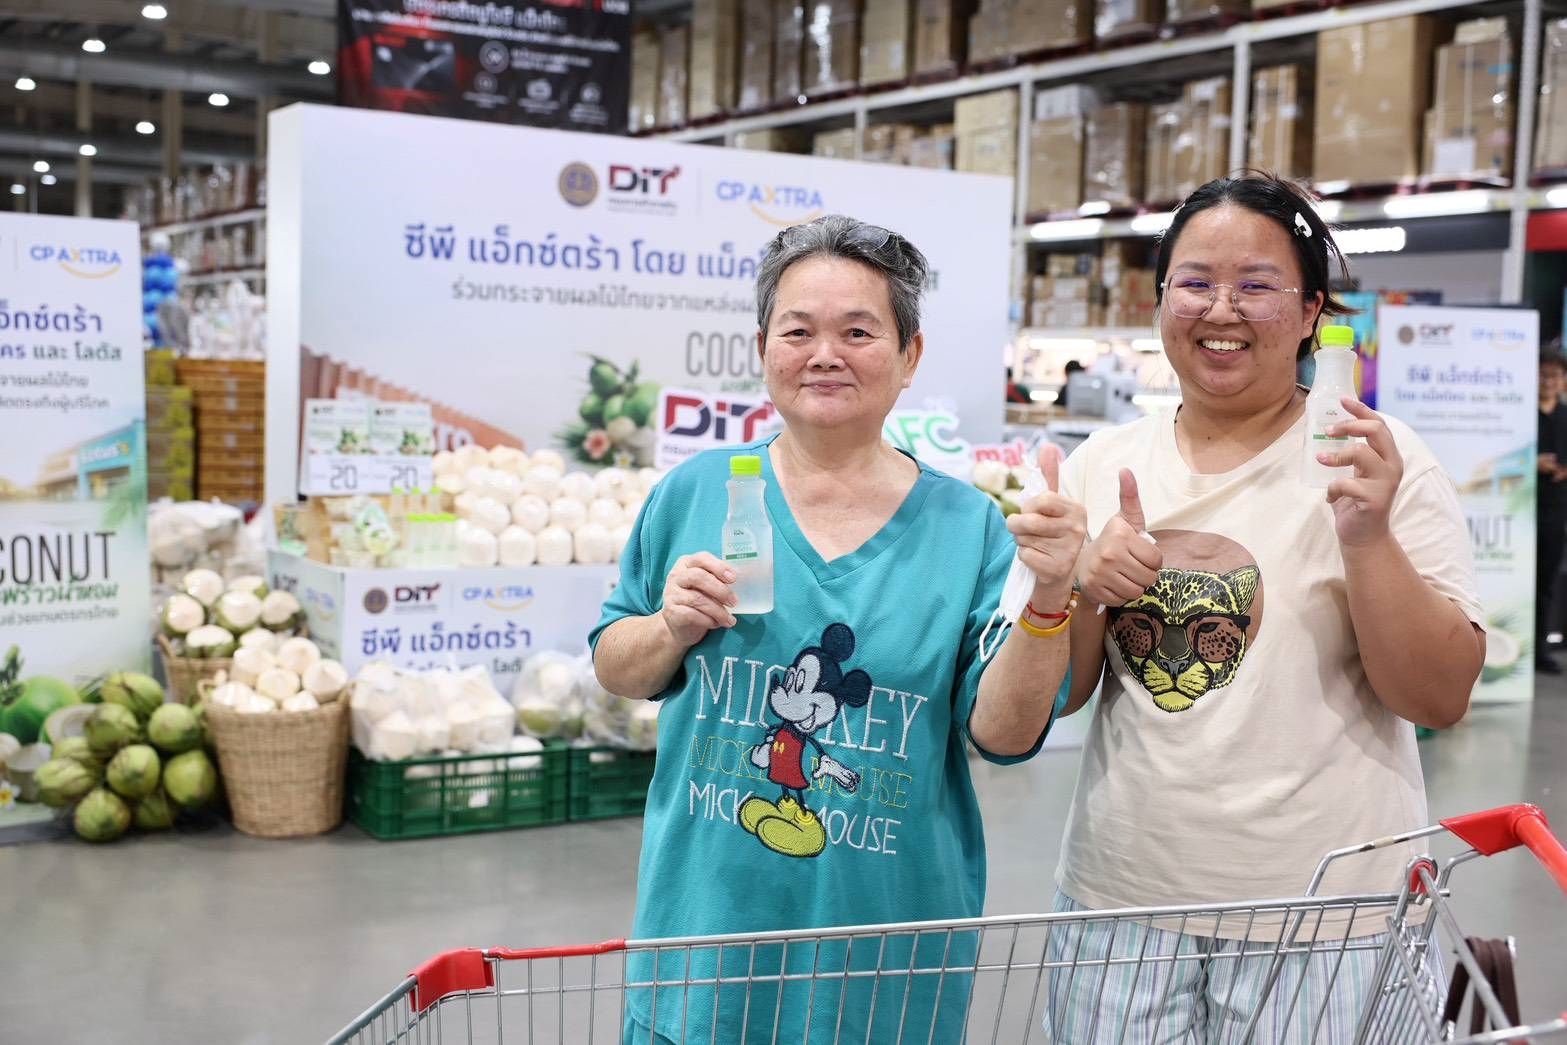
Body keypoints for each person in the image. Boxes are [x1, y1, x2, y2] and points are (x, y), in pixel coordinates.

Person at [590, 214, 1084, 1044]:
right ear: (762, 349)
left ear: (908, 355)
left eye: (857, 331)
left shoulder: (969, 529)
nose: (825, 354)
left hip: (882, 969)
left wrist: (1049, 594)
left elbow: (1002, 736)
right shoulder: (696, 492)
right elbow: (616, 667)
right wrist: (668, 626)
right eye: (798, 331)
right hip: (703, 955)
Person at [1034, 174, 1484, 1042]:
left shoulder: (1376, 460)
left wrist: (1367, 537)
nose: (1221, 309)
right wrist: (1083, 585)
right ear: (1160, 300)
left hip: (1329, 915)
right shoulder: (1102, 462)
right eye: (1195, 282)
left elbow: (1437, 697)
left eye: (1256, 284)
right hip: (1122, 899)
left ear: (1312, 310)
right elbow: (1062, 694)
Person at [1537, 349, 1567, 674]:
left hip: (1556, 511)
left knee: (1547, 581)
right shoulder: (1521, 414)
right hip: (1523, 510)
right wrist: (1533, 463)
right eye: (1543, 375)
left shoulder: (1565, 415)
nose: (1547, 381)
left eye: (1554, 376)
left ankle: (1541, 648)